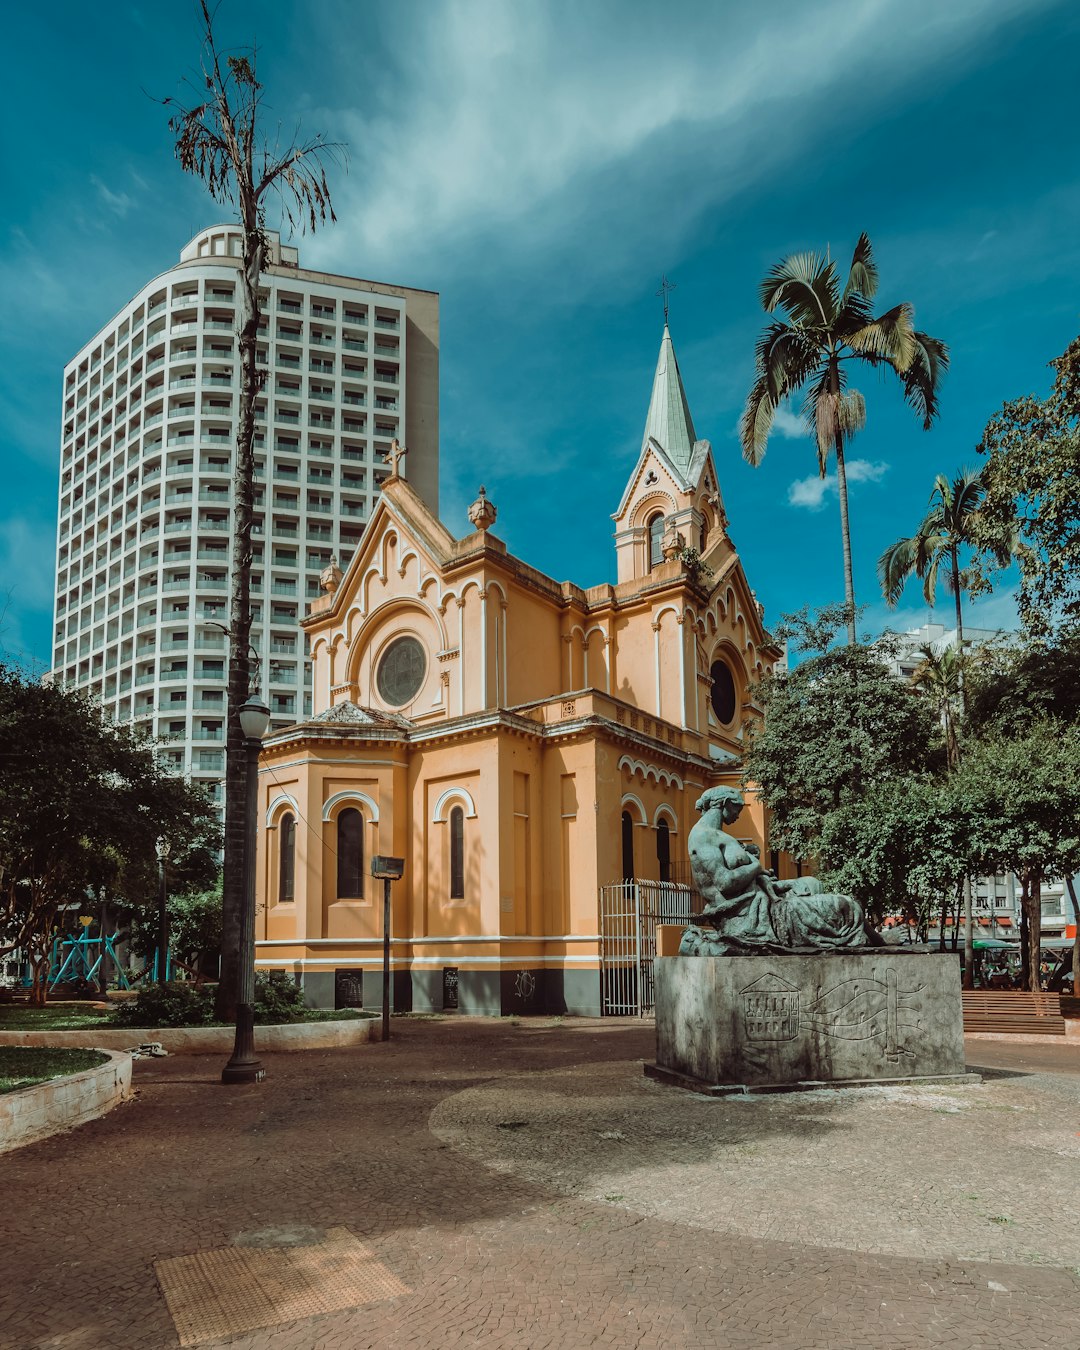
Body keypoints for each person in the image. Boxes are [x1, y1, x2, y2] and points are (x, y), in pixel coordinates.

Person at [680, 786, 880, 954]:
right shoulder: (703, 837)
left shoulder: (718, 835)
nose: (738, 815)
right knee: (844, 905)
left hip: (762, 900)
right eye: (737, 809)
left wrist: (764, 875)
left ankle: (870, 938)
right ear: (724, 803)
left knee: (812, 883)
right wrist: (756, 867)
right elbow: (725, 883)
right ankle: (880, 941)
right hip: (748, 916)